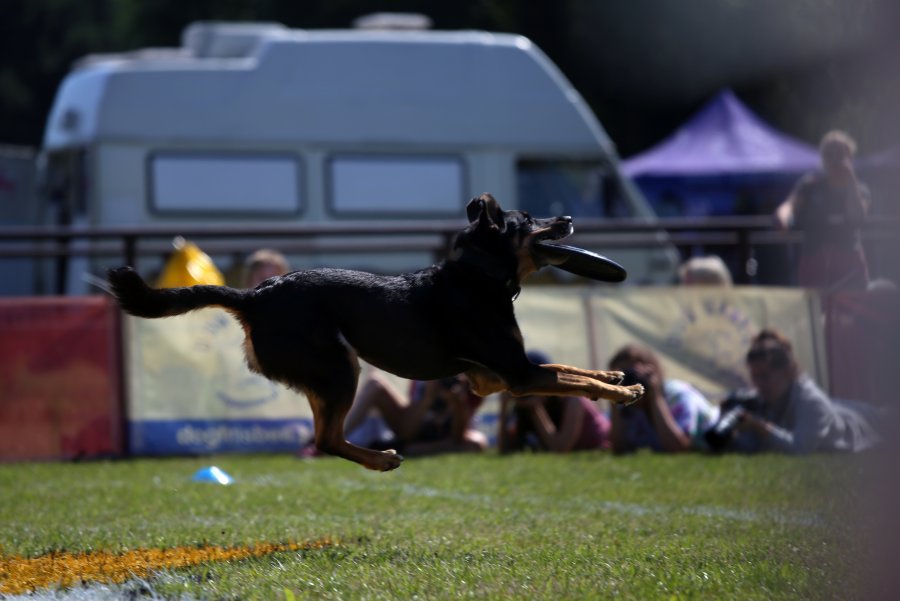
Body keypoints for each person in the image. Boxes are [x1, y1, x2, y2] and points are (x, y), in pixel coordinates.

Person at [710, 328, 881, 454]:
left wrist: (760, 427)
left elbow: (799, 448)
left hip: (877, 426)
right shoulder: (763, 399)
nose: (759, 385)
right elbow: (754, 446)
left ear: (787, 372)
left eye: (765, 377)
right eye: (755, 378)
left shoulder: (811, 401)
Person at [774, 130, 872, 291]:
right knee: (815, 311)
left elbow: (857, 217)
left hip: (849, 264)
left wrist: (850, 179)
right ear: (823, 159)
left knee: (853, 312)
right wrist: (782, 218)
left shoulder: (861, 190)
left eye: (840, 154)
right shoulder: (810, 185)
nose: (835, 160)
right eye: (829, 154)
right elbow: (789, 205)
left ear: (850, 157)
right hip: (814, 262)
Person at [342, 371, 487, 457]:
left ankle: (407, 450)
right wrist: (427, 399)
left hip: (444, 438)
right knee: (375, 383)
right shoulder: (422, 373)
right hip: (417, 431)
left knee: (477, 443)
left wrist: (457, 404)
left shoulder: (472, 382)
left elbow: (457, 437)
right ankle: (337, 438)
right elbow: (406, 433)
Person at [608, 343, 718, 453]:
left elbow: (679, 449)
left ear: (654, 373)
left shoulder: (679, 395)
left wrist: (655, 397)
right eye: (624, 378)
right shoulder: (629, 409)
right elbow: (619, 449)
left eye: (634, 374)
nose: (630, 383)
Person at [497, 351, 611, 453]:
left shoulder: (574, 399)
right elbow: (504, 449)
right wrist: (504, 407)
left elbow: (560, 448)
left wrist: (536, 409)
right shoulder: (525, 405)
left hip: (604, 444)